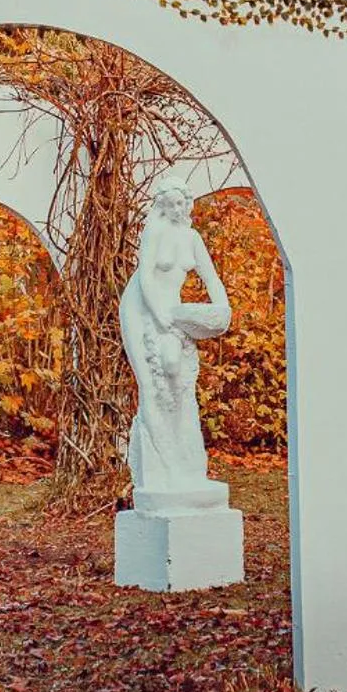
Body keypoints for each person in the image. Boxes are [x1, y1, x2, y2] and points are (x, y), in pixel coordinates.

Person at [119, 178, 230, 495]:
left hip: (172, 311)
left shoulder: (192, 238)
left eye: (181, 203)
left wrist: (222, 309)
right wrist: (159, 315)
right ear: (163, 206)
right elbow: (145, 275)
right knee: (153, 385)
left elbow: (212, 278)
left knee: (180, 384)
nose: (176, 209)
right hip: (141, 308)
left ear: (187, 204)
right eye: (170, 204)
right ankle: (161, 470)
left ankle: (186, 468)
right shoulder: (155, 232)